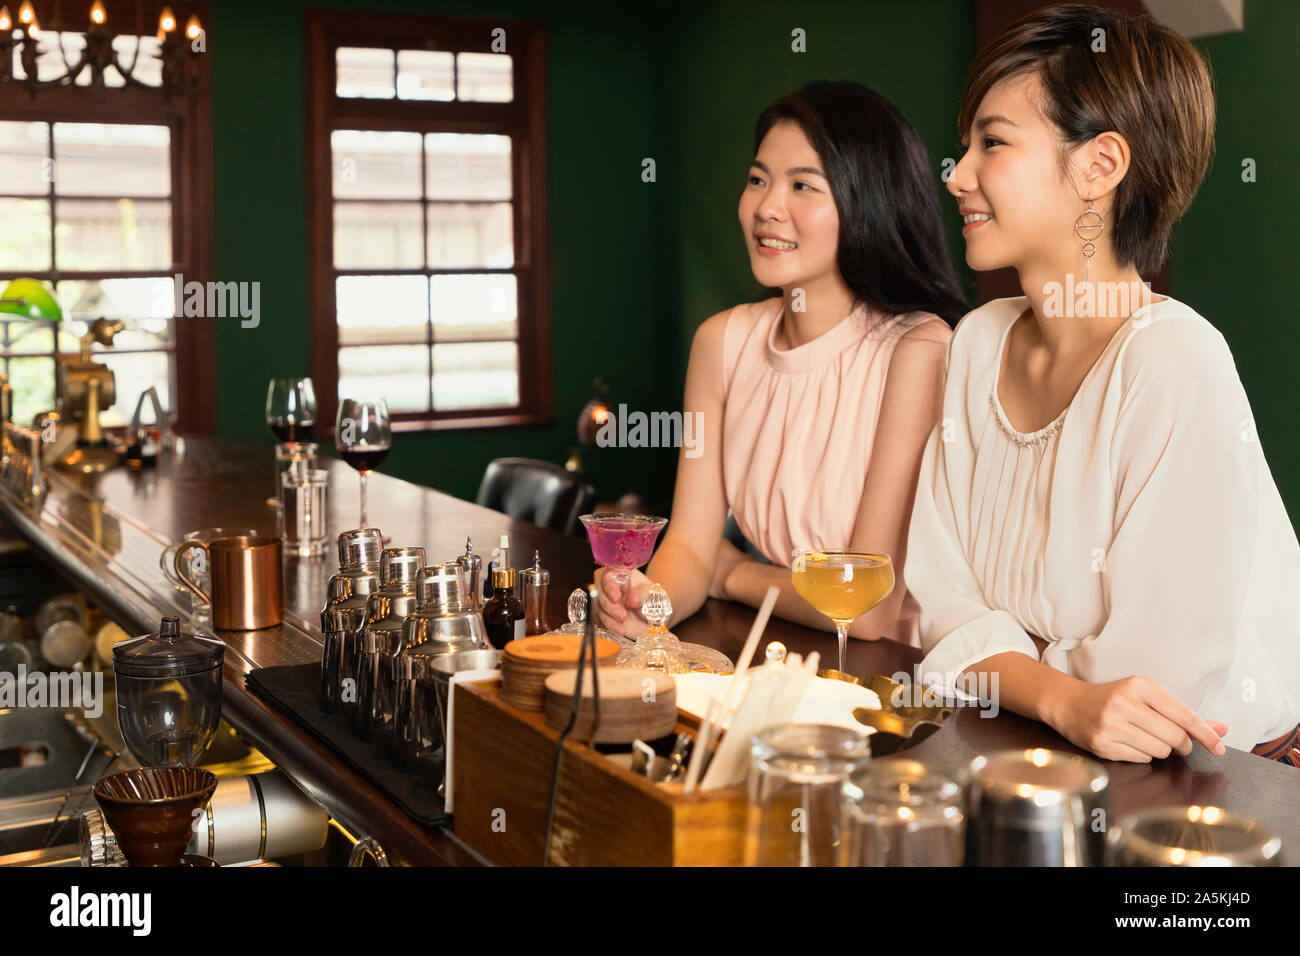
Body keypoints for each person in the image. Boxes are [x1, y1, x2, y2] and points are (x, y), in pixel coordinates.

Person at [907, 4, 1300, 766]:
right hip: (1039, 747)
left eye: (992, 143)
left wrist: (1003, 663)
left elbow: (1148, 695)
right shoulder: (977, 342)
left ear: (1100, 166)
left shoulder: (1175, 360)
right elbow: (938, 607)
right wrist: (1061, 692)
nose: (957, 176)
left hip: (1234, 783)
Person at [595, 80, 966, 646]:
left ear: (868, 200)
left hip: (895, 685)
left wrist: (733, 572)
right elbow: (692, 547)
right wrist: (650, 606)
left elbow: (862, 609)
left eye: (803, 186)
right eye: (758, 179)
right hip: (783, 650)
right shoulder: (722, 342)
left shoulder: (915, 351)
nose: (768, 208)